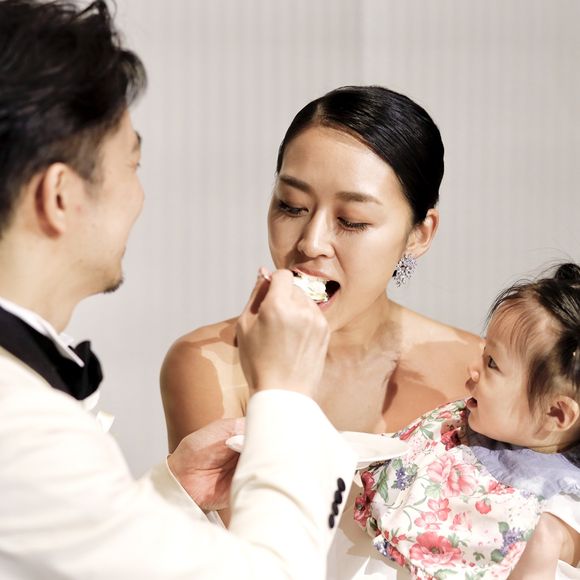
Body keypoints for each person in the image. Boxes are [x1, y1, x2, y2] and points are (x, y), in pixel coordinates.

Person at [0, 1, 357, 578]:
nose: (140, 197)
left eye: (353, 219)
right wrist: (286, 395)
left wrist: (172, 494)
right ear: (60, 196)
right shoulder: (22, 429)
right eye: (133, 164)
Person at [160, 85, 481, 525]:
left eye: (352, 221)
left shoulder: (477, 373)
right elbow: (255, 547)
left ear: (418, 234)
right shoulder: (207, 362)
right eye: (292, 206)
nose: (311, 243)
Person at [356, 263, 580, 578]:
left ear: (556, 413)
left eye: (492, 363)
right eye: (484, 352)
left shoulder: (552, 513)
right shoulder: (468, 419)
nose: (473, 368)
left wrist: (544, 546)